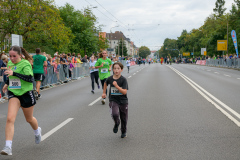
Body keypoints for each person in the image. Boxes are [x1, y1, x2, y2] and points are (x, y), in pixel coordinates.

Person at [1, 46, 42, 156]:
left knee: (29, 119)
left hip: (26, 94)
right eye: (10, 56)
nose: (12, 58)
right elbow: (11, 77)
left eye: (14, 56)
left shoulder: (25, 64)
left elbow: (29, 79)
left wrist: (14, 74)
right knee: (10, 118)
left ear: (20, 55)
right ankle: (8, 146)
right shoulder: (9, 63)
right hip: (14, 93)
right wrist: (7, 84)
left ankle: (37, 131)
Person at [102, 62, 128, 138]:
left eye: (118, 68)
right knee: (115, 114)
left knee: (124, 118)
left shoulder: (123, 80)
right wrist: (104, 92)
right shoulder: (110, 78)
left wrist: (117, 86)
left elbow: (124, 92)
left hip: (123, 101)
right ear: (112, 69)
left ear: (121, 70)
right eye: (115, 68)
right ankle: (117, 123)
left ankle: (124, 131)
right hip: (113, 100)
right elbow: (105, 83)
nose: (116, 70)